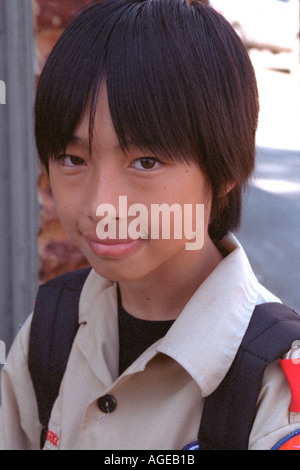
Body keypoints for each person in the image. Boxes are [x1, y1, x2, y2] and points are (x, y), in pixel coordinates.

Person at [1, 0, 299, 450]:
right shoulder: (51, 332)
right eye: (73, 159)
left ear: (225, 171)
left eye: (146, 161)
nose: (102, 206)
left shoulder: (271, 383)